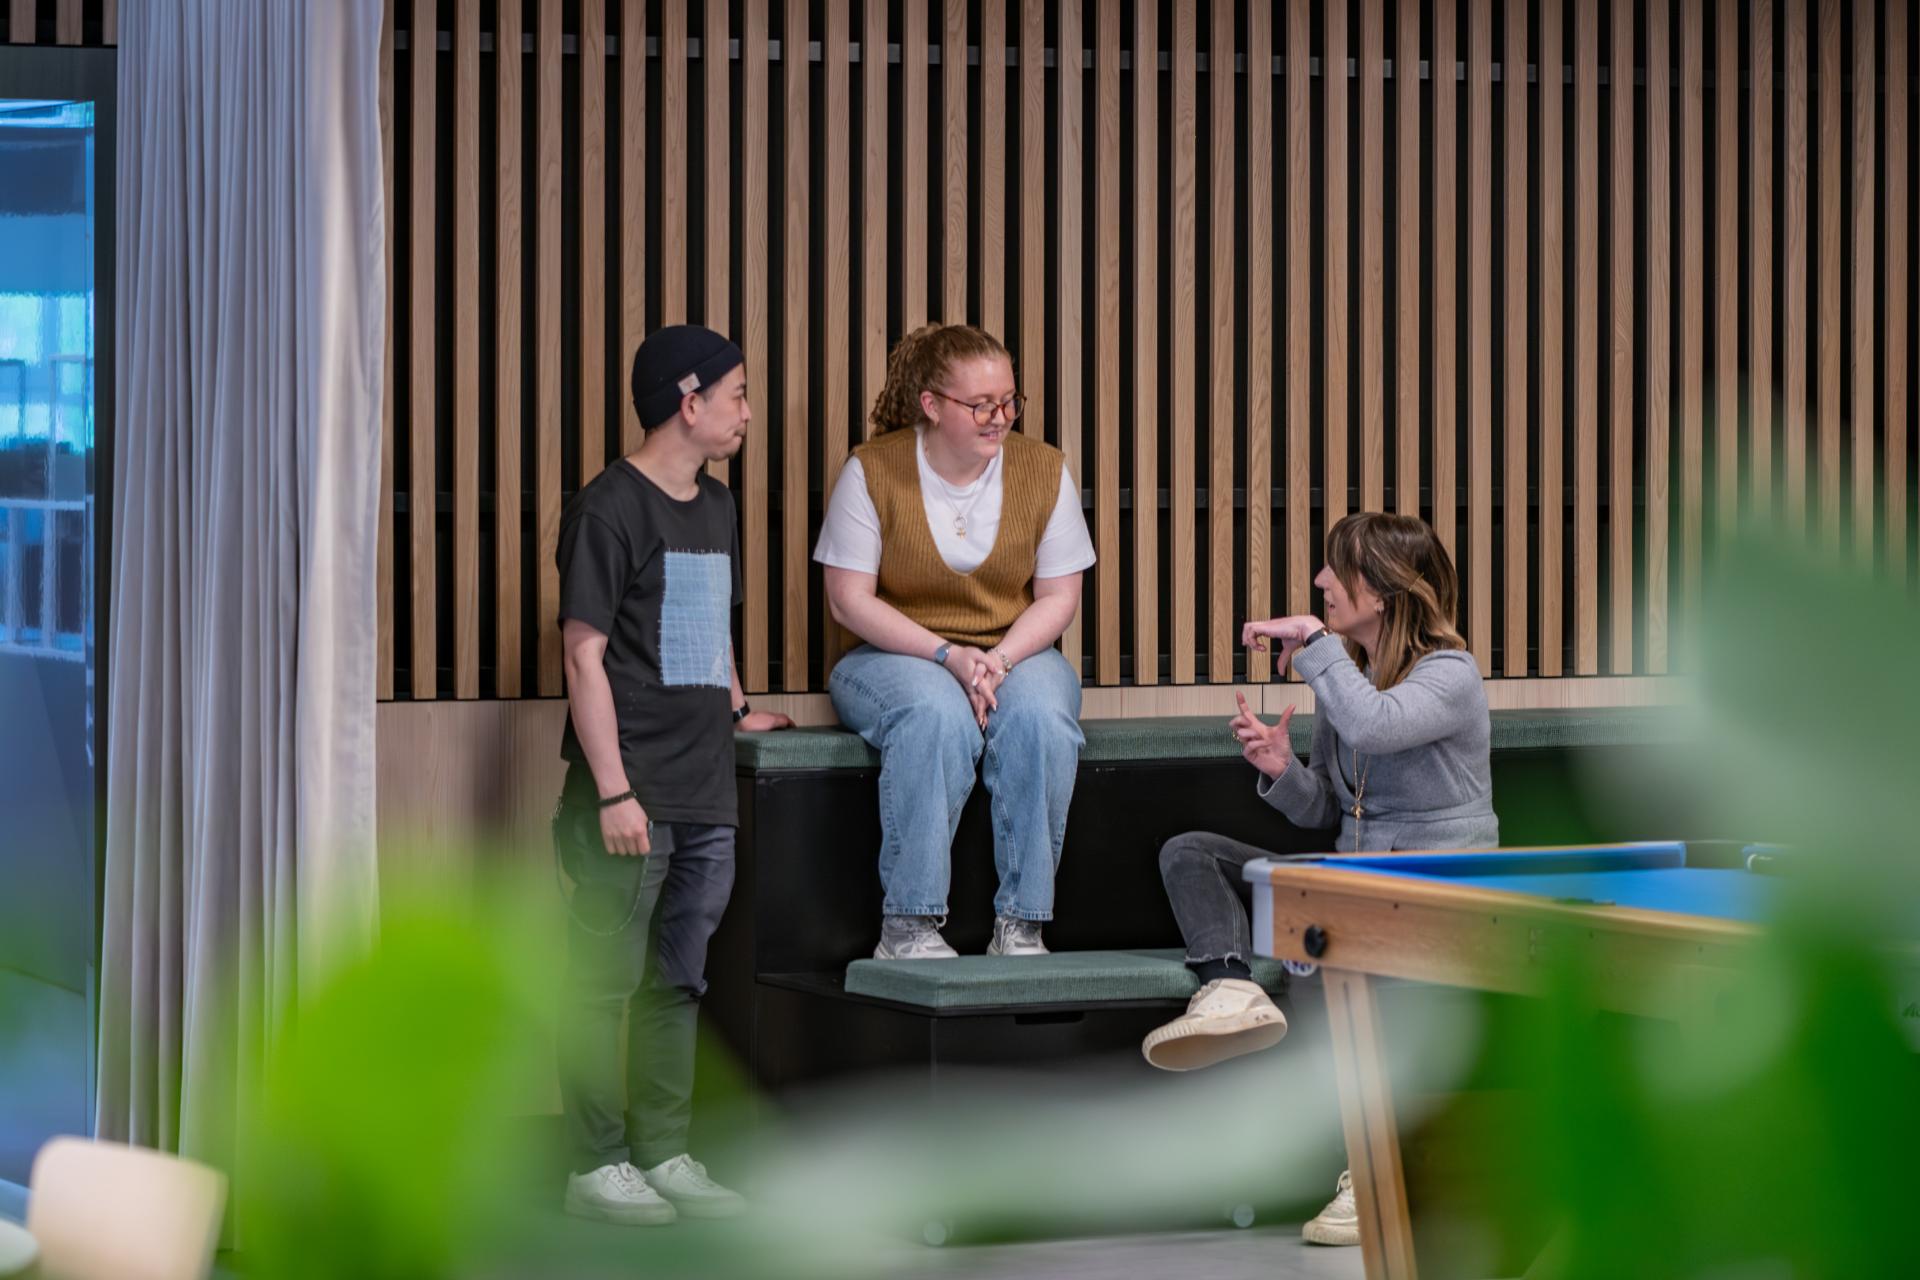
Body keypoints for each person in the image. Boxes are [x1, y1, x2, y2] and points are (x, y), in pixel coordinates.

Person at [1140, 511, 1497, 1248]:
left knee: (1329, 955)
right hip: (1352, 884)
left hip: (1434, 893)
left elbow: (1376, 727)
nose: (1321, 580)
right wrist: (1281, 769)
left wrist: (1314, 642)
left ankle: (1372, 1171)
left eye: (1339, 568)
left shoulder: (1451, 674)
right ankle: (1230, 986)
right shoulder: (1352, 678)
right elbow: (1328, 809)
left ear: (1386, 589)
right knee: (1188, 852)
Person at [554, 325, 792, 1227]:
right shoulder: (607, 508)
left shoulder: (718, 505)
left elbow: (709, 624)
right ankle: (593, 1165)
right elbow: (583, 655)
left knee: (679, 982)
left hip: (705, 791)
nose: (746, 412)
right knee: (599, 987)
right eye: (737, 394)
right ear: (689, 403)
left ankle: (662, 1150)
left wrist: (738, 708)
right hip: (629, 796)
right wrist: (614, 792)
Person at [814, 323, 1095, 960]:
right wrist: (947, 656)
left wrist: (996, 660)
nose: (1001, 418)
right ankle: (908, 926)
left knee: (1043, 718)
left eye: (1009, 401)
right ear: (932, 405)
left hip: (1012, 649)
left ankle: (1022, 924)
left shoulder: (1044, 469)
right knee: (935, 714)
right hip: (895, 655)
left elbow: (1058, 598)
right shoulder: (873, 469)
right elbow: (848, 599)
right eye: (981, 405)